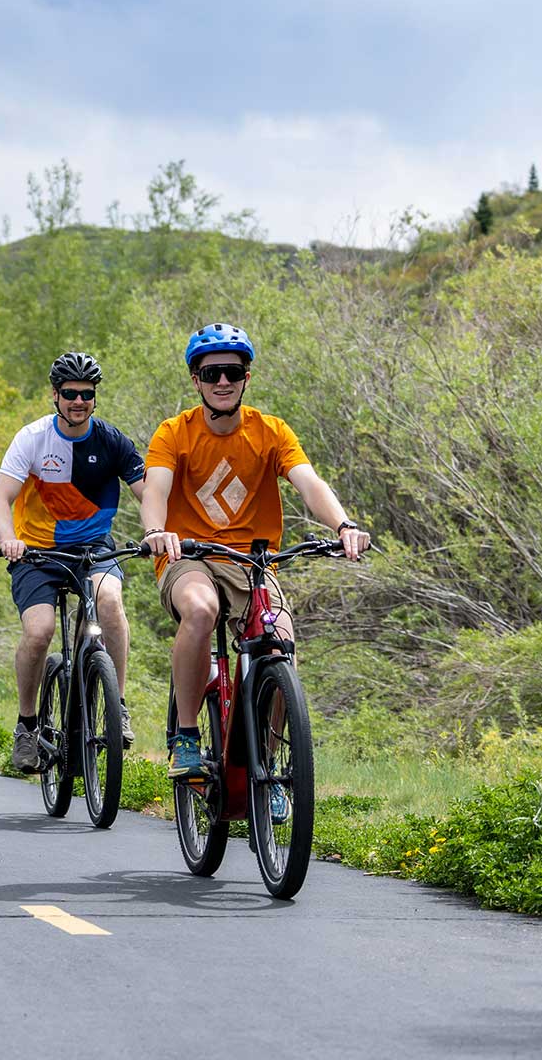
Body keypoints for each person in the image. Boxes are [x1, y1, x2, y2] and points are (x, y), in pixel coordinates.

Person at [139, 324, 369, 812]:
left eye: (233, 372)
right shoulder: (174, 433)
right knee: (199, 611)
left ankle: (270, 770)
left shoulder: (270, 431)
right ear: (196, 380)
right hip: (189, 557)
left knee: (281, 640)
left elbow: (309, 482)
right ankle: (184, 737)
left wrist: (344, 523)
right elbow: (155, 489)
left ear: (246, 377)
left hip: (252, 561)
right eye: (211, 373)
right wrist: (156, 530)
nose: (223, 381)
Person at [0, 351, 147, 774]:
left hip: (93, 548)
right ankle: (26, 725)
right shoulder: (33, 438)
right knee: (39, 632)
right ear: (55, 395)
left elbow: (149, 494)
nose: (79, 401)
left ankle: (118, 703)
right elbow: (0, 498)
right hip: (35, 553)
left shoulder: (112, 441)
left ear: (95, 397)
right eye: (70, 394)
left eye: (87, 394)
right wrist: (9, 540)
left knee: (109, 601)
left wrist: (158, 532)